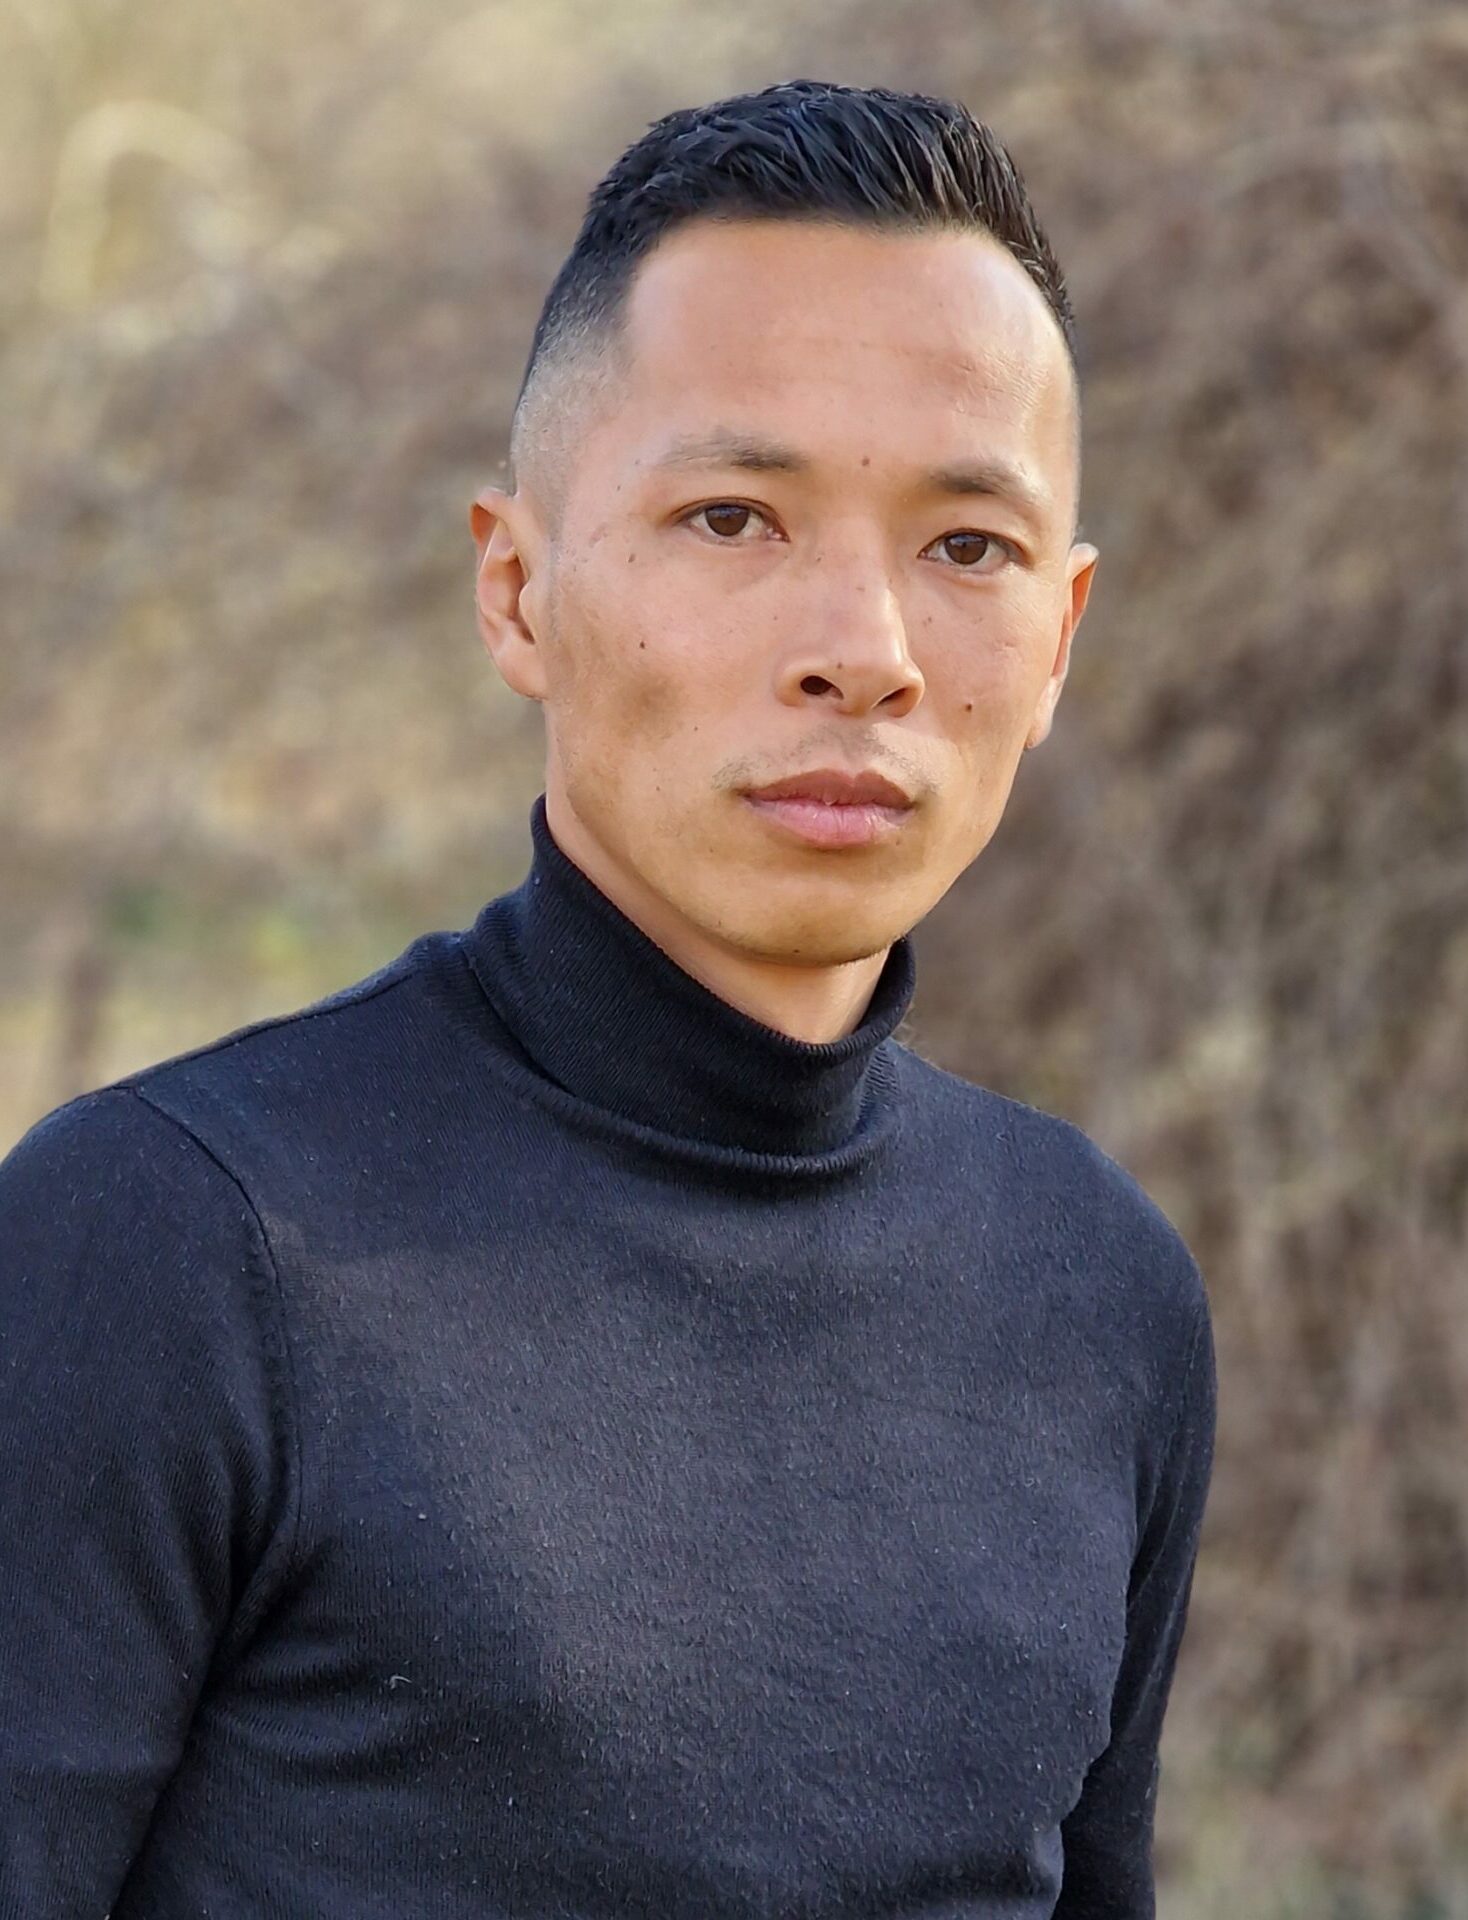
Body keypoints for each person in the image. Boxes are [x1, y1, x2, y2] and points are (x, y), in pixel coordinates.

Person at [0, 79, 1216, 1918]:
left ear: (1060, 635)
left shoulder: (1099, 1290)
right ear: (517, 590)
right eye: (734, 517)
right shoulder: (172, 1246)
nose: (865, 653)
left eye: (967, 545)